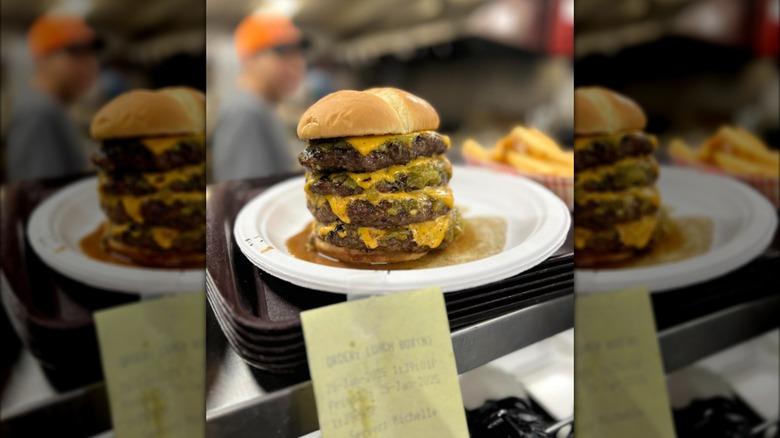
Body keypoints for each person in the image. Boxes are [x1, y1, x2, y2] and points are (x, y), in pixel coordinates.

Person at [212, 14, 306, 181]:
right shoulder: (244, 113)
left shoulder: (261, 106)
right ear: (249, 59)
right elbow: (245, 196)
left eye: (298, 54)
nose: (297, 65)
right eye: (283, 54)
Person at [6, 15, 99, 182]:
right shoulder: (37, 113)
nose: (91, 64)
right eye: (76, 52)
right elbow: (40, 195)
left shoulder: (52, 106)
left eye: (91, 53)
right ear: (43, 59)